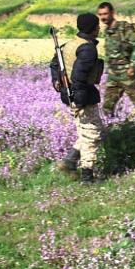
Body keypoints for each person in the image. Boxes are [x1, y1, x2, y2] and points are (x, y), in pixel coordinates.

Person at [50, 13, 105, 183]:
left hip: (72, 94)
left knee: (90, 130)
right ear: (93, 28)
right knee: (91, 134)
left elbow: (54, 64)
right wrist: (79, 102)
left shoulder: (69, 44)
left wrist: (56, 81)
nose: (99, 28)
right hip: (82, 96)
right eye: (97, 26)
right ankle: (87, 177)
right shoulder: (87, 48)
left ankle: (70, 161)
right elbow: (79, 76)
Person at [96, 2, 135, 121]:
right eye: (100, 14)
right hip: (113, 75)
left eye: (105, 14)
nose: (103, 17)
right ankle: (110, 129)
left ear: (112, 13)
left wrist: (132, 66)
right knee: (107, 107)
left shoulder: (124, 27)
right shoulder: (107, 31)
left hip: (127, 74)